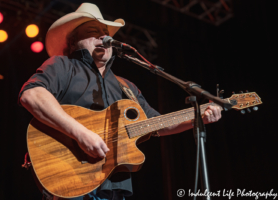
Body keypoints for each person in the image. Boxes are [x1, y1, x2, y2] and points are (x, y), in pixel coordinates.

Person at [19, 3, 221, 200]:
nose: (103, 36)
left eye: (105, 32)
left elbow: (156, 123)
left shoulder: (126, 86)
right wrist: (81, 134)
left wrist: (198, 116)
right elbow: (32, 95)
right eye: (93, 31)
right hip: (69, 181)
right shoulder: (62, 66)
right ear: (73, 42)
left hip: (113, 189)